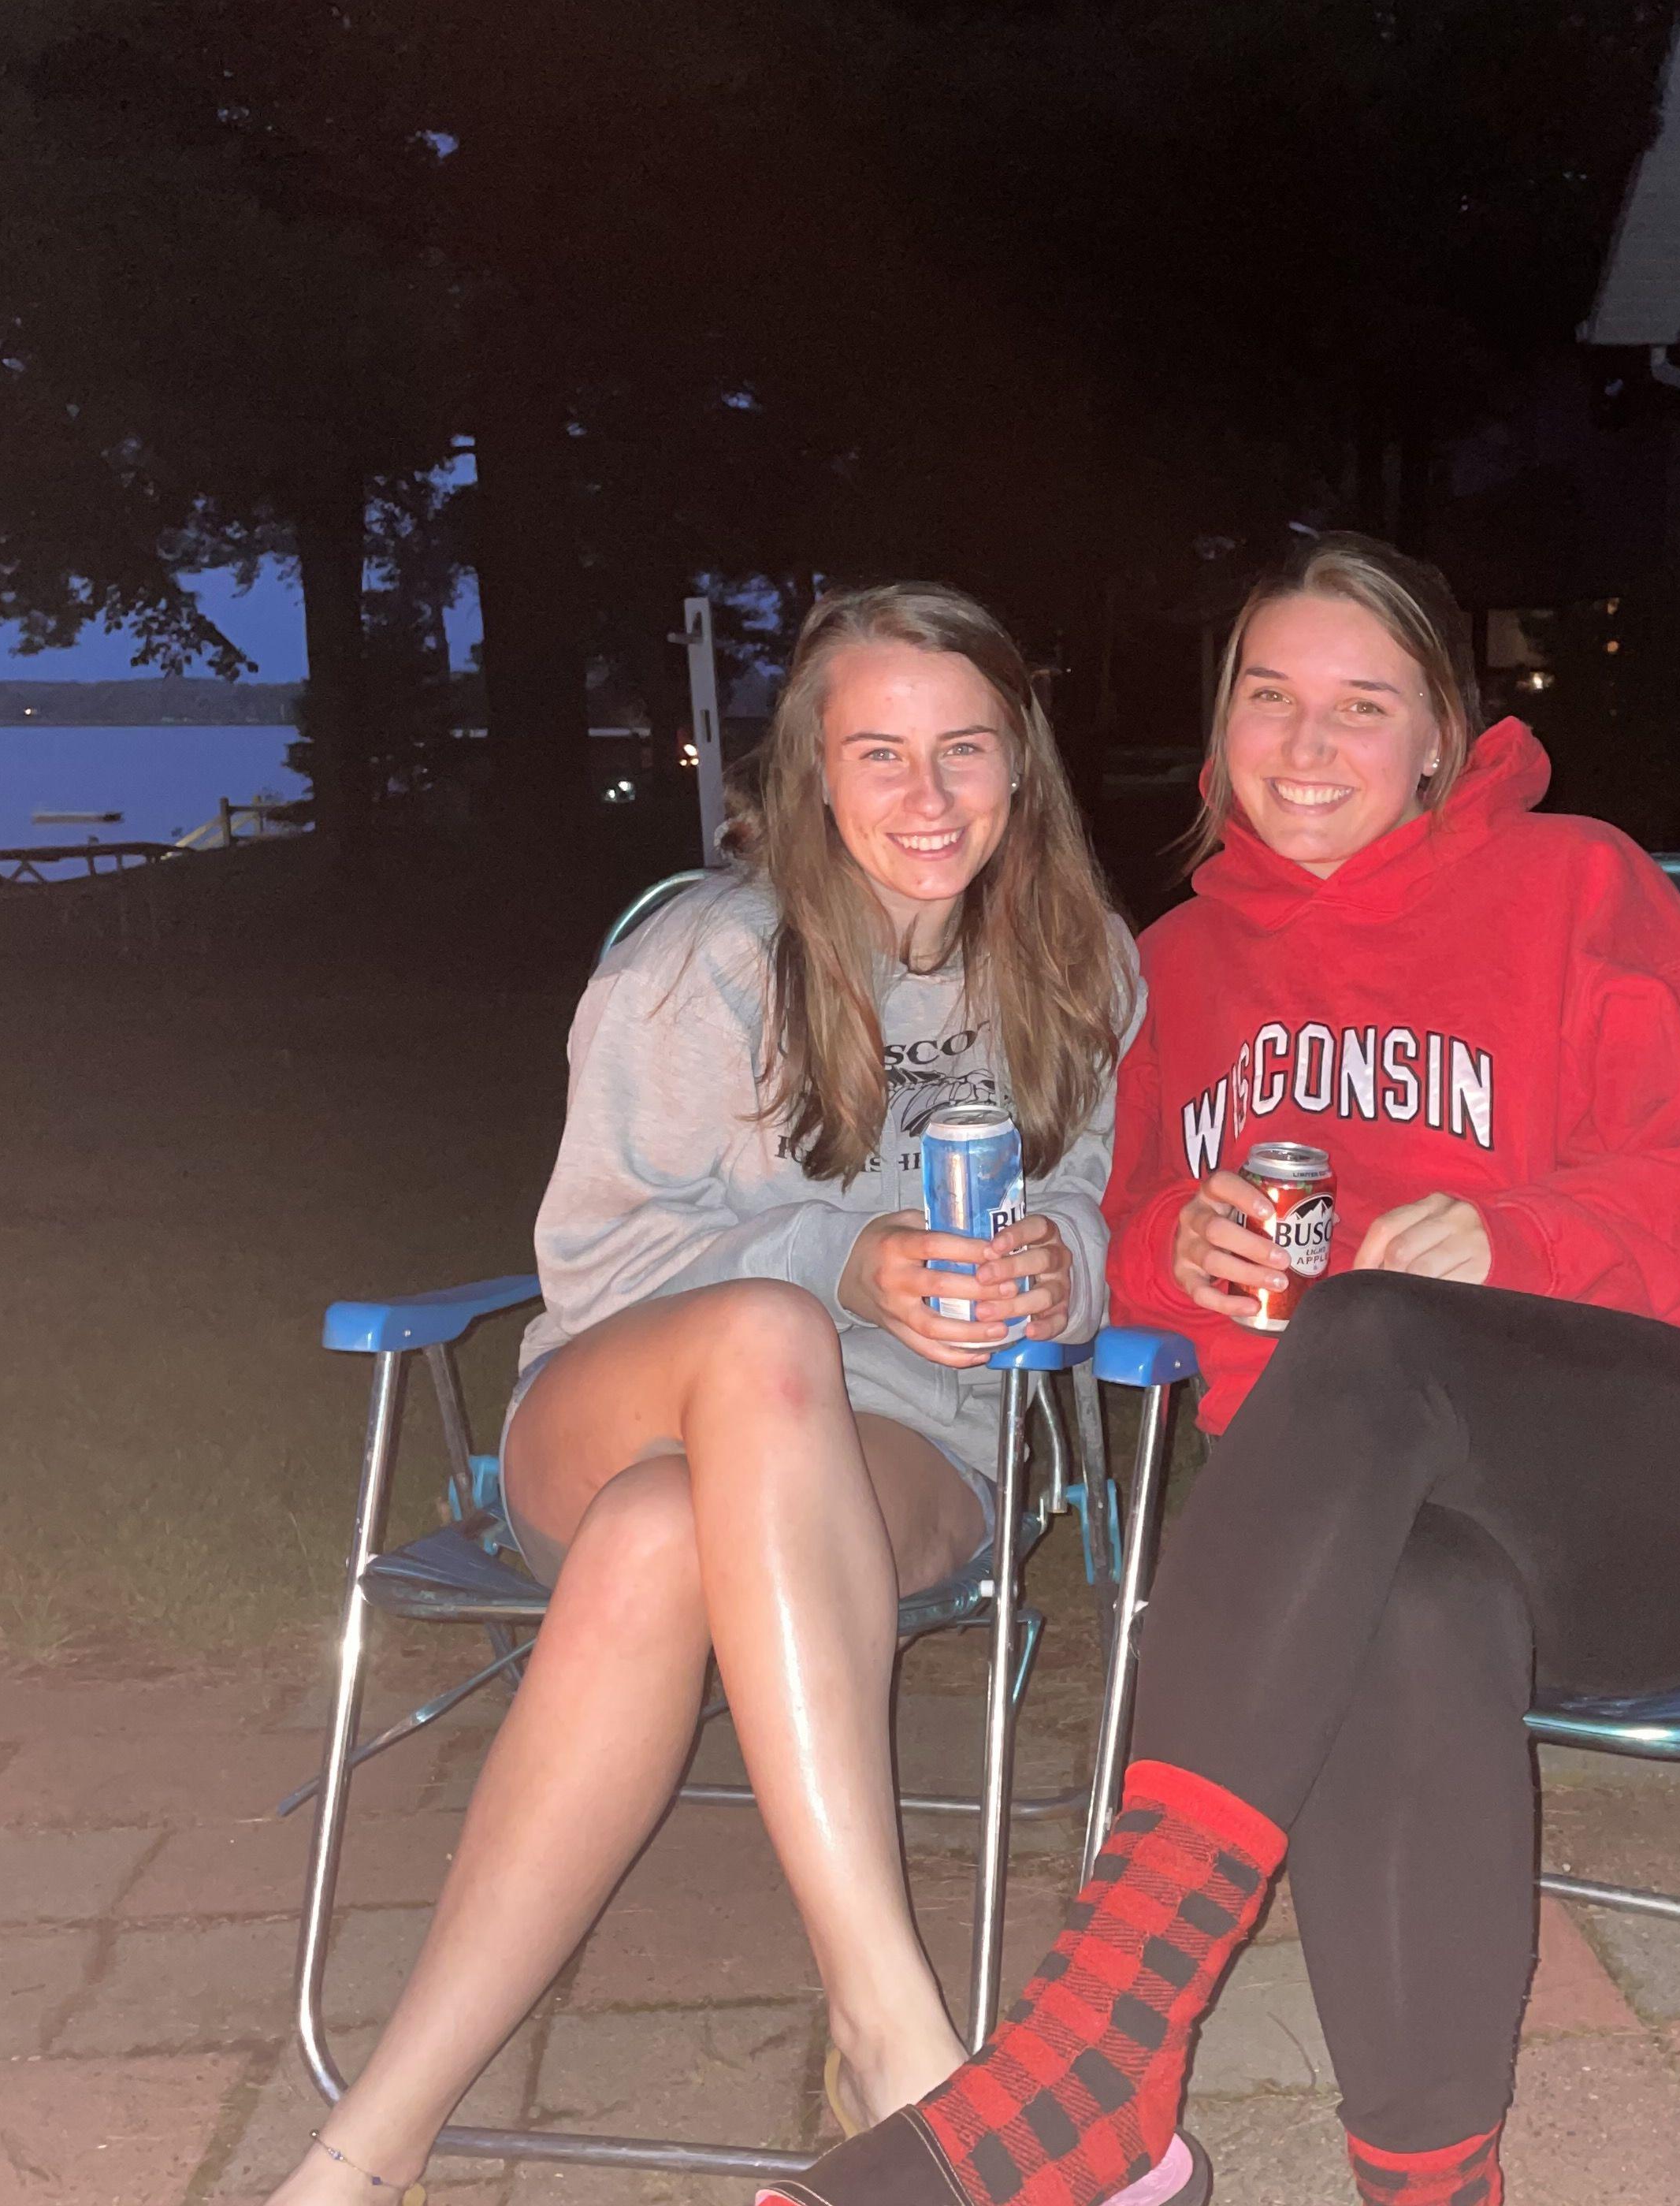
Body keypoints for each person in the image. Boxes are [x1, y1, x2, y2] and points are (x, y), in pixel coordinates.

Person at [769, 536, 1680, 2206]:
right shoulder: (1172, 968)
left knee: (1369, 1322)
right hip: (1400, 1525)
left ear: (1440, 735)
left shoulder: (1575, 883)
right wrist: (1167, 1246)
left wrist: (1522, 1236)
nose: (1307, 744)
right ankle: (1433, 2186)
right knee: (1408, 1597)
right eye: (1270, 698)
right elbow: (1108, 1237)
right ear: (1223, 728)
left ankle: (1094, 2055)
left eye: (1363, 705)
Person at [272, 583, 1139, 2205]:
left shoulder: (1081, 971)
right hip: (622, 1403)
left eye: (965, 749)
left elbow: (1094, 1206)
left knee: (671, 1537)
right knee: (759, 1342)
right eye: (878, 754)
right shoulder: (707, 965)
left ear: (1023, 765)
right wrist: (842, 1262)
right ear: (812, 770)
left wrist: (1061, 1274)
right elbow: (599, 1261)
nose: (930, 795)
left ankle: (367, 2146)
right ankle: (893, 2029)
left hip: (907, 1448)